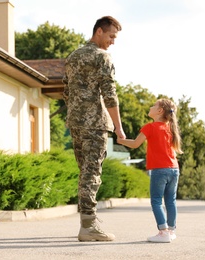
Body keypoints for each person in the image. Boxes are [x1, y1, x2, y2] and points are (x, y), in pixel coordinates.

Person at [63, 16, 126, 242]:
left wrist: (75, 115)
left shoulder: (73, 57)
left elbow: (67, 92)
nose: (113, 41)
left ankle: (86, 222)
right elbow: (110, 93)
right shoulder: (102, 57)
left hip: (76, 123)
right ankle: (88, 226)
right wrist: (119, 128)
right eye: (111, 36)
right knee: (92, 174)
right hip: (96, 123)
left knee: (84, 173)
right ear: (99, 31)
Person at [117, 98, 183, 243]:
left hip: (160, 170)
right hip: (174, 169)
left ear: (159, 111)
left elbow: (135, 144)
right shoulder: (170, 128)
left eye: (154, 106)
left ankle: (163, 231)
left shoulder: (150, 127)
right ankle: (171, 231)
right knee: (171, 201)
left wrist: (121, 140)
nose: (151, 107)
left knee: (156, 201)